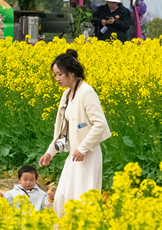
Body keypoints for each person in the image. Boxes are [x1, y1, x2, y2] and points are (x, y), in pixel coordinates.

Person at [39, 49, 111, 215]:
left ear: (71, 73)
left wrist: (83, 148)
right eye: (55, 75)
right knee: (63, 197)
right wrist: (50, 152)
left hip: (88, 156)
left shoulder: (87, 92)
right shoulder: (66, 95)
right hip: (74, 155)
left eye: (59, 74)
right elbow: (64, 131)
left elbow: (100, 124)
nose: (57, 79)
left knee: (83, 199)